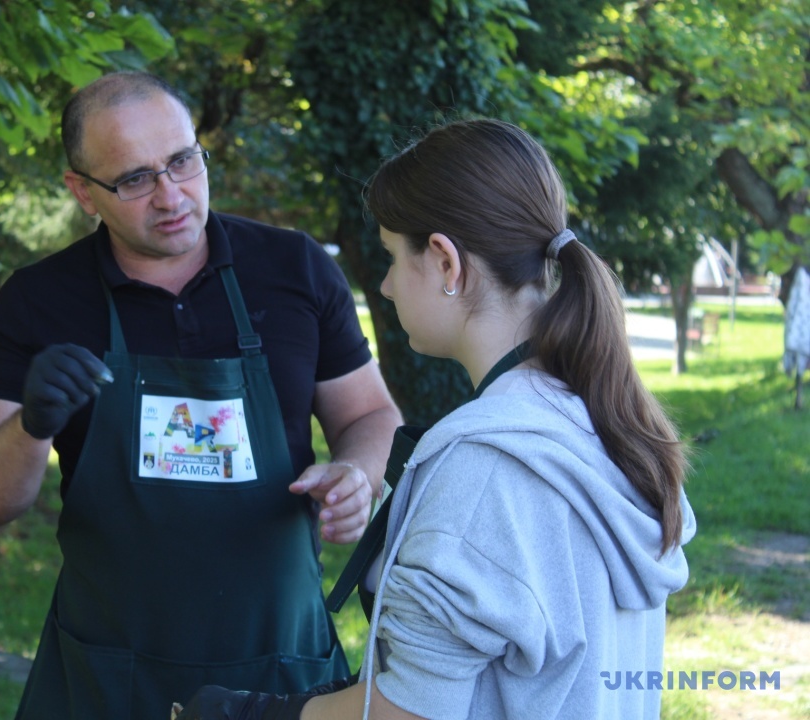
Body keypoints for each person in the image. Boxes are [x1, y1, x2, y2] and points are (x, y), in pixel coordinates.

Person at [177, 118, 696, 719]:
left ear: (446, 263)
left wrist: (251, 714)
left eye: (394, 256)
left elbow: (407, 714)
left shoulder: (484, 472)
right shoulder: (598, 420)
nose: (386, 286)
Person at [0, 70, 402, 719]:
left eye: (183, 161)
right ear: (82, 191)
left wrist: (357, 472)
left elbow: (371, 413)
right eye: (135, 179)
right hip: (106, 679)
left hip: (279, 677)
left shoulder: (293, 268)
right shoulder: (38, 301)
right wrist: (30, 426)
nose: (171, 195)